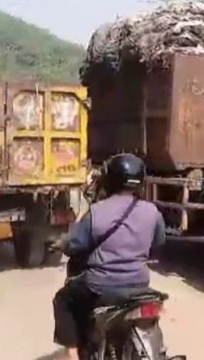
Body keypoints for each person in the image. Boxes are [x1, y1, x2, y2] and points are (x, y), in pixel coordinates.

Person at [52, 153, 166, 360]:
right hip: (140, 284)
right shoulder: (153, 212)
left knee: (63, 300)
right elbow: (158, 246)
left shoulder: (97, 212)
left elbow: (75, 244)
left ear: (110, 179)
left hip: (101, 286)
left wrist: (62, 244)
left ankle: (72, 355)